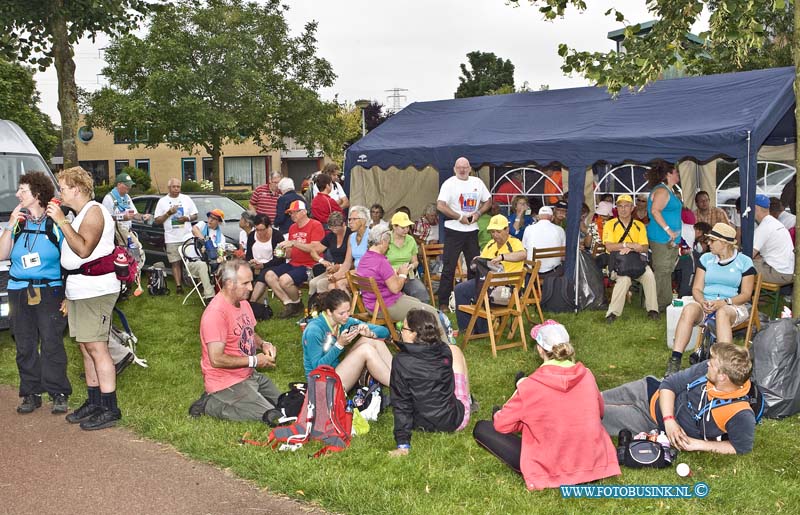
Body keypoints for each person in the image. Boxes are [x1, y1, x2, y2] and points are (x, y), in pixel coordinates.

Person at [473, 321, 620, 490]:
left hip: (550, 468)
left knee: (483, 428)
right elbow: (600, 412)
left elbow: (502, 425)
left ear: (540, 349)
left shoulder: (530, 386)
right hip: (593, 464)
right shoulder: (587, 375)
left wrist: (507, 413)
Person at [47, 166, 122, 430]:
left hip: (96, 290)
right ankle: (94, 401)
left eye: (63, 188)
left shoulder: (95, 211)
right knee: (85, 346)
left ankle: (110, 408)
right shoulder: (79, 215)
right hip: (79, 289)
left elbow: (83, 249)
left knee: (97, 348)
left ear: (77, 189)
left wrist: (61, 221)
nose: (60, 193)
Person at [602, 342, 756, 455]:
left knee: (591, 415)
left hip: (648, 419)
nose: (708, 363)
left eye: (712, 364)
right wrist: (669, 420)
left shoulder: (740, 413)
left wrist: (698, 444)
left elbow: (740, 447)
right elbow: (669, 384)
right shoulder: (706, 369)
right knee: (593, 398)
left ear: (723, 377)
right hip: (648, 388)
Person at [0, 172, 69, 414]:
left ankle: (58, 392)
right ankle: (31, 393)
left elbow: (69, 260)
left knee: (51, 342)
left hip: (49, 291)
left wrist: (68, 295)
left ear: (37, 195)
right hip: (18, 290)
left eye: (23, 190)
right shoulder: (18, 223)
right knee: (24, 344)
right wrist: (10, 223)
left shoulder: (54, 223)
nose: (17, 194)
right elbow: (1, 254)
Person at [197, 260, 281, 424]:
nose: (251, 288)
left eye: (251, 282)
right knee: (271, 415)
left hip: (247, 374)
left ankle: (249, 394)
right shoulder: (215, 314)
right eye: (246, 283)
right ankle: (209, 404)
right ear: (229, 283)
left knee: (284, 403)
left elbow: (249, 332)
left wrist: (263, 344)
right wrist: (255, 360)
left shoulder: (243, 303)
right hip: (225, 381)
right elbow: (216, 359)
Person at [665, 223, 755, 377]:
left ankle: (724, 363)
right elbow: (697, 289)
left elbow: (746, 294)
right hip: (707, 303)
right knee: (689, 310)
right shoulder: (706, 259)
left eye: (712, 241)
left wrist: (724, 303)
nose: (708, 243)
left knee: (722, 314)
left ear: (725, 243)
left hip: (733, 305)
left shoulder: (744, 262)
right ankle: (675, 360)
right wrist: (702, 302)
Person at [389, 308, 472, 457]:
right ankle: (468, 401)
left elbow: (401, 402)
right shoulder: (445, 351)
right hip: (453, 420)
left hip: (420, 423)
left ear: (414, 334)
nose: (400, 329)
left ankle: (467, 400)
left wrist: (403, 444)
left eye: (403, 327)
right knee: (457, 351)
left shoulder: (400, 361)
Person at [356, 226, 446, 337]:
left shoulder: (365, 258)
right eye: (388, 243)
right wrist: (403, 274)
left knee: (418, 301)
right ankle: (446, 347)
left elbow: (381, 279)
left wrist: (394, 274)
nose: (388, 247)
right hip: (385, 306)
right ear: (382, 241)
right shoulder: (381, 261)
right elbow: (395, 288)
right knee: (431, 313)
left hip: (371, 305)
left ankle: (417, 339)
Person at [302, 289, 392, 390]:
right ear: (329, 312)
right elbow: (317, 369)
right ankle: (397, 386)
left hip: (337, 371)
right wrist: (339, 345)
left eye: (348, 311)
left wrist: (370, 333)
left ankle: (400, 378)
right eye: (342, 313)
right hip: (321, 383)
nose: (346, 316)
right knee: (366, 350)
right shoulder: (314, 330)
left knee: (373, 341)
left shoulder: (344, 322)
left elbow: (385, 331)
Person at [435, 157, 492, 311]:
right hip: (453, 230)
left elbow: (488, 200)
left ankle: (472, 298)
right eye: (459, 167)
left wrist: (478, 213)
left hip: (472, 230)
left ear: (470, 168)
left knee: (475, 266)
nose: (462, 170)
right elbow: (440, 205)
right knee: (449, 267)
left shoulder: (477, 183)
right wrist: (459, 217)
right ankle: (444, 302)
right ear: (454, 169)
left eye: (465, 167)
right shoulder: (449, 183)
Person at [454, 215, 526, 335]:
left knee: (482, 291)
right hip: (489, 283)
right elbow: (484, 261)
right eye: (492, 232)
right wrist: (478, 260)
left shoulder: (514, 242)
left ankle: (483, 329)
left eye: (498, 231)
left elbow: (523, 255)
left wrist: (502, 257)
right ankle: (467, 329)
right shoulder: (490, 244)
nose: (495, 235)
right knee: (460, 289)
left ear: (507, 230)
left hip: (509, 288)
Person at [602, 195, 659, 323]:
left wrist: (632, 249)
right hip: (617, 264)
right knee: (624, 279)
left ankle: (653, 310)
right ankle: (612, 313)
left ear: (632, 208)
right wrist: (627, 245)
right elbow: (609, 247)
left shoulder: (639, 225)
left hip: (636, 262)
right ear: (617, 208)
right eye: (620, 206)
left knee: (649, 274)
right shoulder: (610, 224)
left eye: (626, 206)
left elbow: (644, 247)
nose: (623, 209)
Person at [263, 200, 324, 318]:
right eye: (290, 213)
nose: (292, 215)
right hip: (293, 263)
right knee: (269, 275)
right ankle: (291, 303)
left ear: (304, 212)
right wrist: (283, 254)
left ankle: (295, 305)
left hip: (309, 265)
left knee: (284, 280)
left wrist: (294, 243)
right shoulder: (292, 228)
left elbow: (316, 249)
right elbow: (290, 253)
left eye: (294, 212)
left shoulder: (315, 225)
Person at [646, 161, 682, 312]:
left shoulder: (668, 190)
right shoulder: (662, 191)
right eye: (676, 172)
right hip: (662, 238)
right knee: (662, 271)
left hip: (669, 239)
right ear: (668, 174)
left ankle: (664, 303)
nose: (678, 175)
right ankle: (656, 306)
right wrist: (668, 230)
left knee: (666, 271)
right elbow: (655, 211)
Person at [153, 178, 198, 295]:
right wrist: (169, 213)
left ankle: (194, 282)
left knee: (191, 261)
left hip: (187, 236)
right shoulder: (162, 201)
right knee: (175, 262)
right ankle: (179, 286)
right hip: (172, 238)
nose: (177, 189)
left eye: (178, 186)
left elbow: (195, 215)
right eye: (174, 187)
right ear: (169, 188)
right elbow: (157, 220)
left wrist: (187, 218)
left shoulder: (186, 199)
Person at [386, 212, 429, 303]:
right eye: (403, 227)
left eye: (408, 227)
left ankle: (422, 315)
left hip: (407, 275)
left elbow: (415, 261)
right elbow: (378, 261)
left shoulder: (410, 240)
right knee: (393, 297)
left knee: (421, 292)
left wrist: (411, 266)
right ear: (394, 226)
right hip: (388, 276)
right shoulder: (385, 239)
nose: (406, 230)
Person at [753, 194, 794, 285]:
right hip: (787, 271)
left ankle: (741, 295)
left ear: (755, 208)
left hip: (779, 274)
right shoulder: (775, 223)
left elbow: (748, 255)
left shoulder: (764, 227)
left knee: (740, 266)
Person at [185, 209, 226, 300]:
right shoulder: (202, 225)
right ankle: (210, 296)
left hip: (212, 265)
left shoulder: (221, 237)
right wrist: (204, 242)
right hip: (194, 263)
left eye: (214, 219)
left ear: (219, 222)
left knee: (228, 266)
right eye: (210, 217)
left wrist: (220, 256)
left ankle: (226, 295)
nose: (210, 220)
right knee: (202, 265)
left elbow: (221, 253)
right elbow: (194, 229)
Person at [308, 211, 350, 298]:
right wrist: (322, 260)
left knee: (321, 284)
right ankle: (312, 307)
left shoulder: (351, 235)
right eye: (331, 227)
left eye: (336, 227)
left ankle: (325, 307)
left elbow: (353, 261)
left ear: (343, 224)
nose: (334, 230)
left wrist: (339, 266)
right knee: (312, 283)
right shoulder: (331, 235)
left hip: (347, 269)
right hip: (333, 269)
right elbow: (313, 251)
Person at [328, 205, 371, 291]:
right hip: (355, 273)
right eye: (349, 219)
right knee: (331, 286)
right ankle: (346, 304)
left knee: (340, 284)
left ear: (363, 221)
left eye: (354, 219)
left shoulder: (371, 236)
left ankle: (348, 304)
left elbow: (370, 264)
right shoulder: (351, 237)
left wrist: (342, 275)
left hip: (368, 273)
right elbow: (347, 263)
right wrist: (337, 275)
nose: (350, 222)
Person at [246, 214, 285, 303]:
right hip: (255, 264)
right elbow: (248, 254)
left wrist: (264, 265)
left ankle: (252, 302)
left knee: (264, 274)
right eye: (257, 230)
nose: (259, 232)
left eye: (262, 230)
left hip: (272, 265)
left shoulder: (277, 236)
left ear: (268, 227)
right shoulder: (252, 235)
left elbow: (280, 259)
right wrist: (251, 261)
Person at [521, 206, 565, 275]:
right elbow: (563, 256)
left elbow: (524, 251)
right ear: (552, 217)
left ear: (538, 217)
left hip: (533, 271)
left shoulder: (528, 229)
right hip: (554, 271)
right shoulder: (560, 230)